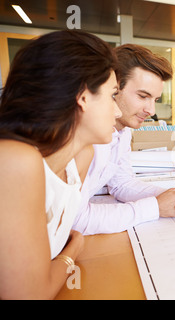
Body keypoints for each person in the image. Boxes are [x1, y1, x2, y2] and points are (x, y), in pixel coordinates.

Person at [0, 30, 121, 299]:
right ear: (83, 96)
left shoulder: (81, 157)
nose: (118, 111)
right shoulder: (14, 160)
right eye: (112, 95)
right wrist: (72, 253)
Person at [73, 44, 175, 235]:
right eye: (142, 96)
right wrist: (155, 207)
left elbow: (122, 184)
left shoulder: (124, 131)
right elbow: (75, 219)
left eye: (155, 100)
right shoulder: (87, 137)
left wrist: (167, 196)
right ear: (114, 88)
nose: (151, 111)